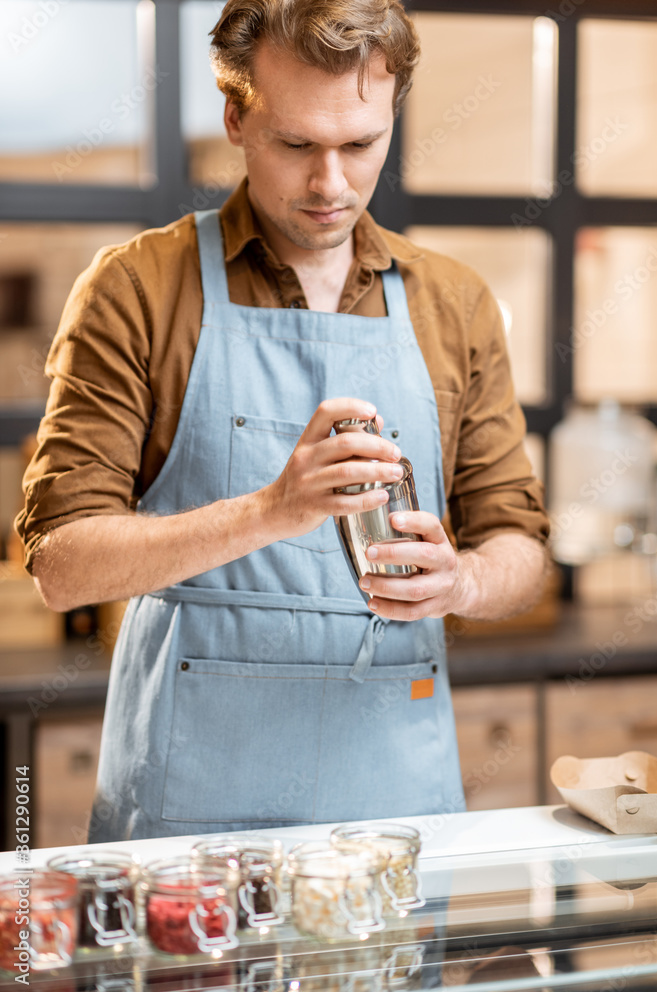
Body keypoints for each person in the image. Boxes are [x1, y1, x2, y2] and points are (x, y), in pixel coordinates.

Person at [17, 0, 550, 843]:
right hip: (188, 838)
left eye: (360, 145)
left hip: (395, 824)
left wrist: (465, 584)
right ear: (236, 116)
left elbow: (521, 550)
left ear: (391, 117)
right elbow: (63, 567)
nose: (329, 183)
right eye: (297, 144)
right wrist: (273, 511)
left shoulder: (455, 303)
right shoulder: (139, 289)